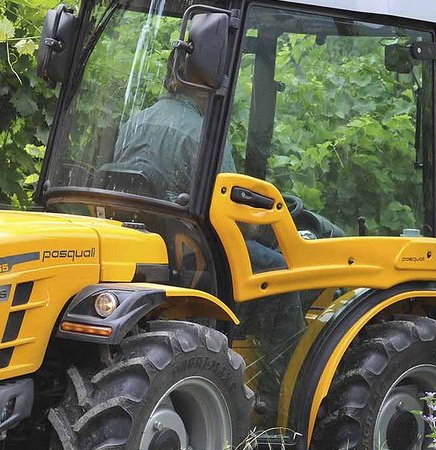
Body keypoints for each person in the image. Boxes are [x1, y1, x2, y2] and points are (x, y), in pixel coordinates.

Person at [113, 53, 305, 422]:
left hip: (149, 246)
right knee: (280, 273)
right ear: (209, 81)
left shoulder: (135, 122)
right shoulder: (203, 132)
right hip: (197, 254)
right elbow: (234, 215)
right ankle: (277, 399)